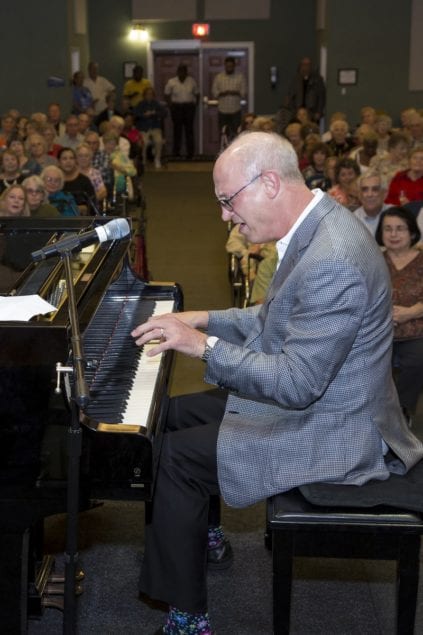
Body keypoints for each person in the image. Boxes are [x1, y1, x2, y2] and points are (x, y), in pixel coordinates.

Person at [131, 131, 423, 634]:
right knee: (168, 417)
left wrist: (200, 346)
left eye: (227, 200)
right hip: (324, 398)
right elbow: (275, 316)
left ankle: (188, 615)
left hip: (337, 428)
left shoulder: (333, 256)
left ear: (268, 183)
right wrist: (203, 318)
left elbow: (295, 383)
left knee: (175, 458)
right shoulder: (315, 224)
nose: (225, 215)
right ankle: (202, 532)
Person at [375, 207, 423, 419]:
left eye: (400, 229)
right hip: (377, 329)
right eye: (388, 229)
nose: (393, 234)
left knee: (417, 360)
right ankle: (373, 412)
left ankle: (402, 412)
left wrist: (412, 311)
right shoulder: (372, 259)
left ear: (412, 232)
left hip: (417, 329)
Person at [164, 64, 199, 160]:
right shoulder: (171, 82)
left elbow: (197, 94)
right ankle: (176, 153)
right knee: (177, 131)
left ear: (186, 72)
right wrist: (170, 106)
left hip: (189, 108)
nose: (182, 73)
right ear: (177, 72)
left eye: (184, 71)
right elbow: (166, 95)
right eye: (180, 71)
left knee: (189, 131)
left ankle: (190, 154)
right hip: (176, 108)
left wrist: (195, 105)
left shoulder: (192, 81)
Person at [212, 56, 246, 142]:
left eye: (231, 66)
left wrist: (235, 92)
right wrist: (222, 93)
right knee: (223, 134)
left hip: (235, 110)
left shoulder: (240, 77)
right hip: (222, 111)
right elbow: (214, 92)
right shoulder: (219, 77)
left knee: (236, 134)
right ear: (225, 66)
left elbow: (244, 92)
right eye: (227, 66)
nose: (229, 68)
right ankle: (224, 152)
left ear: (234, 66)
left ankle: (235, 154)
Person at [285, 56, 326, 123]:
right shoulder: (296, 79)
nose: (305, 67)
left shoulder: (317, 79)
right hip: (297, 112)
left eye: (307, 65)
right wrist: (292, 110)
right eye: (303, 64)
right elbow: (290, 95)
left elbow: (321, 97)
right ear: (300, 66)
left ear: (310, 66)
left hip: (312, 112)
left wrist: (319, 111)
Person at [134, 87, 166, 169]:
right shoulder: (140, 104)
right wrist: (144, 115)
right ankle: (143, 161)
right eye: (147, 94)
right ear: (144, 95)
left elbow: (164, 113)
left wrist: (154, 113)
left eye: (151, 94)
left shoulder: (156, 104)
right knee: (144, 142)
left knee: (158, 140)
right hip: (144, 128)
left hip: (155, 127)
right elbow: (136, 114)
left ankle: (157, 159)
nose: (149, 96)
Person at [58, 147, 96, 214]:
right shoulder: (54, 181)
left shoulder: (84, 180)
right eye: (64, 158)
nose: (68, 161)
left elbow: (93, 205)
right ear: (59, 162)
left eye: (71, 158)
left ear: (75, 161)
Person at [353, 171, 390, 236]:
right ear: (359, 194)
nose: (369, 194)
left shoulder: (397, 215)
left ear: (385, 194)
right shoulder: (352, 220)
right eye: (365, 189)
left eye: (375, 189)